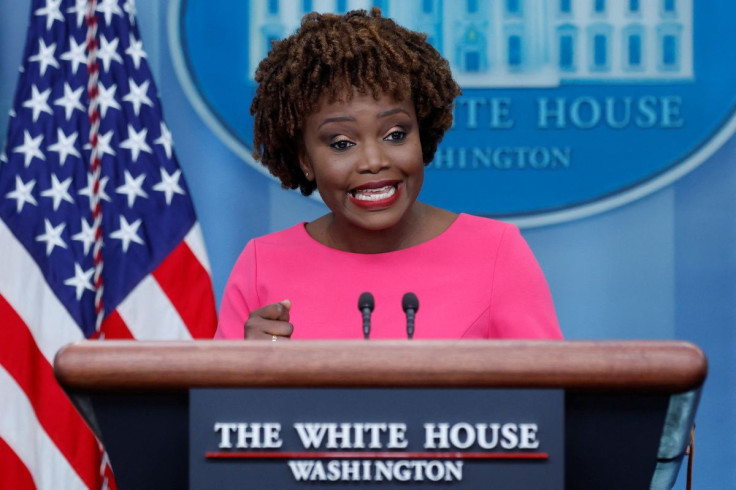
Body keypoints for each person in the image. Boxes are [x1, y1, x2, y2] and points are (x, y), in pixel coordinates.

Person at [216, 8, 562, 341]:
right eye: (341, 143)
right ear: (305, 159)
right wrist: (251, 367)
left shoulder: (497, 252)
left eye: (395, 135)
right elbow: (221, 402)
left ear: (421, 134)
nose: (373, 161)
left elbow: (546, 394)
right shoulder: (263, 264)